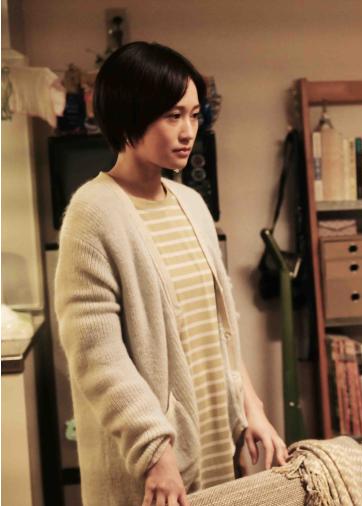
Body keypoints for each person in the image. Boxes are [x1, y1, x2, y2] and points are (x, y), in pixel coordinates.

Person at [55, 41, 288, 506]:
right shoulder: (92, 212)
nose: (188, 132)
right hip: (151, 465)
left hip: (217, 443)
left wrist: (253, 409)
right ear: (130, 116)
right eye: (171, 116)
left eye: (195, 115)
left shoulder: (192, 204)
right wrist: (155, 453)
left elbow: (220, 329)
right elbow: (97, 358)